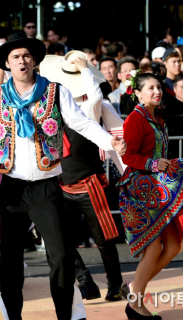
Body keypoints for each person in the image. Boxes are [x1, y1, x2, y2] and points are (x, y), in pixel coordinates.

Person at [0, 32, 127, 320]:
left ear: (35, 61)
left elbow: (81, 122)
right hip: (12, 187)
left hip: (47, 186)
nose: (22, 60)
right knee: (12, 261)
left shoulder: (55, 91)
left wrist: (109, 142)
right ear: (8, 64)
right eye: (15, 57)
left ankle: (74, 315)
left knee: (62, 255)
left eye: (26, 55)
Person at [116, 72, 183, 320]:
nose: (157, 92)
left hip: (159, 191)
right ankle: (136, 300)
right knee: (153, 249)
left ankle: (134, 289)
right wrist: (153, 164)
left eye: (159, 87)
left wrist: (160, 165)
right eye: (150, 88)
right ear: (137, 93)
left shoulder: (156, 115)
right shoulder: (135, 120)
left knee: (171, 247)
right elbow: (127, 157)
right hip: (141, 191)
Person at [40, 51, 125, 302]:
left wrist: (85, 69)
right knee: (57, 239)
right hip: (63, 186)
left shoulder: (88, 109)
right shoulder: (50, 114)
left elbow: (96, 96)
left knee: (104, 240)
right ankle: (85, 281)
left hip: (90, 186)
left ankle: (115, 284)